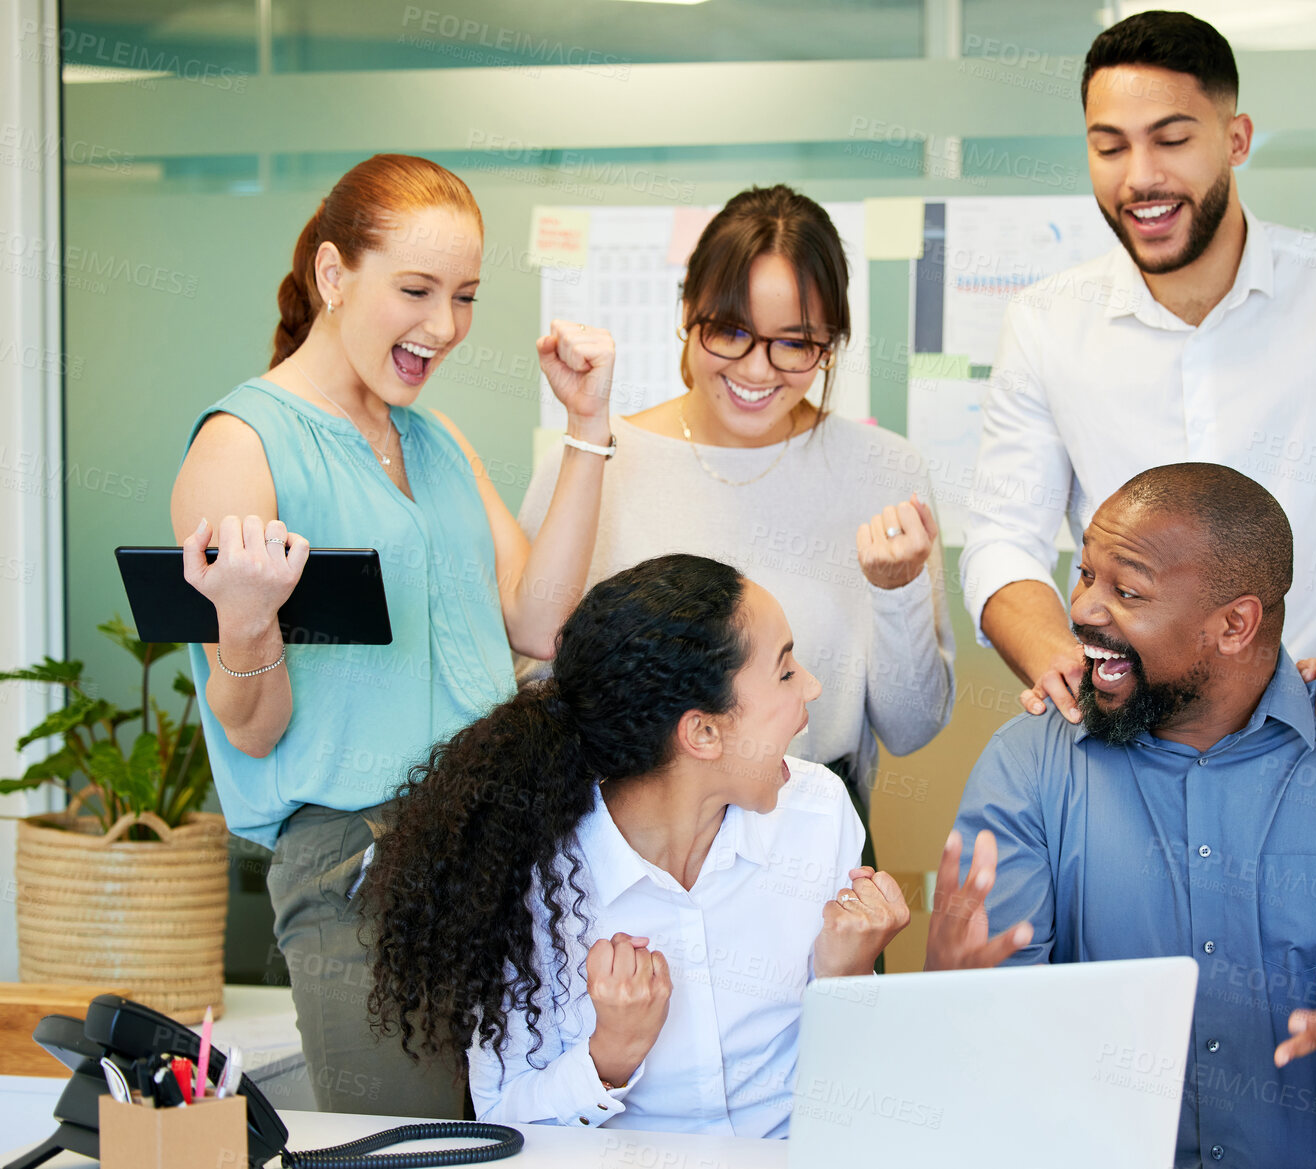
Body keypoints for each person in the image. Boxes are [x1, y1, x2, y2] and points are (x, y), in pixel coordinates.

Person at [169, 154, 616, 1116]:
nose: (444, 327)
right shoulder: (241, 446)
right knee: (407, 1147)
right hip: (357, 876)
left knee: (514, 1135)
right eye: (415, 291)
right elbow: (249, 728)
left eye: (463, 297)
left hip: (494, 853)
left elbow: (538, 619)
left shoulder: (436, 441)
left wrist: (587, 427)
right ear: (335, 276)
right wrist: (248, 619)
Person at [962, 10, 1316, 741]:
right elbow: (1001, 536)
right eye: (1109, 147)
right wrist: (1057, 658)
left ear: (1236, 138)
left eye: (1172, 139)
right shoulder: (1045, 322)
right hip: (1121, 744)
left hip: (1315, 735)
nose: (1140, 176)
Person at [929, 464, 1316, 1167]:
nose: (1085, 609)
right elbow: (982, 1081)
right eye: (1086, 574)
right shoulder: (1032, 762)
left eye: (1127, 591)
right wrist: (951, 1000)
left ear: (1235, 624)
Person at [363, 554, 910, 1135]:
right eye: (785, 671)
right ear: (702, 731)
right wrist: (610, 1055)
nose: (814, 686)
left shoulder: (820, 812)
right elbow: (502, 1118)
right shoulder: (533, 872)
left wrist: (846, 978)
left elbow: (856, 1097)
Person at [519, 183, 956, 831]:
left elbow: (912, 727)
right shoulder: (587, 460)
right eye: (729, 331)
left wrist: (897, 592)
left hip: (811, 844)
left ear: (830, 342)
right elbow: (533, 687)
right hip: (628, 846)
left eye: (795, 342)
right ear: (687, 312)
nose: (758, 370)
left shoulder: (887, 471)